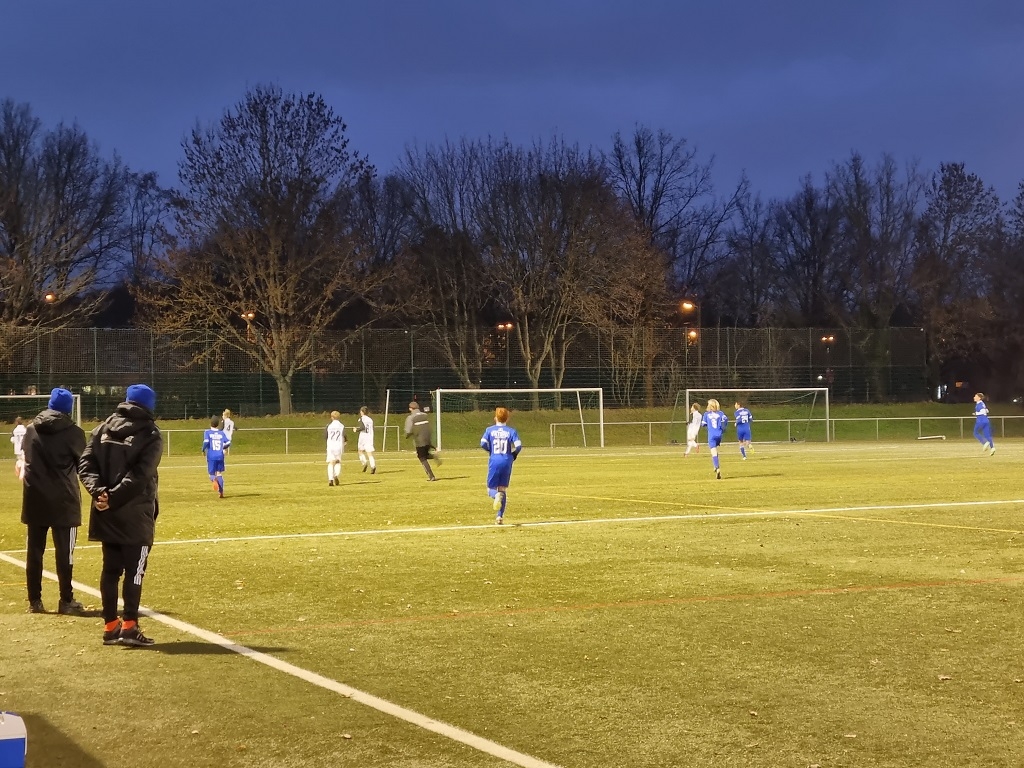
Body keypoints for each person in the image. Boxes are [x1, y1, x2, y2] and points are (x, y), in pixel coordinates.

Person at [78, 384, 162, 647]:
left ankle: (110, 626)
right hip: (135, 515)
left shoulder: (102, 428)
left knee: (110, 570)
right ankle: (129, 626)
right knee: (135, 572)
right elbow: (140, 476)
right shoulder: (150, 434)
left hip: (106, 514)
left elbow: (85, 464)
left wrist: (100, 493)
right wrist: (112, 497)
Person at [21, 388, 87, 615]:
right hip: (64, 500)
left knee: (34, 551)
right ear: (68, 408)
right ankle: (66, 600)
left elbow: (27, 458)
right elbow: (83, 465)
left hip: (35, 497)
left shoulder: (31, 429)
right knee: (64, 553)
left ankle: (35, 601)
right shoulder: (74, 433)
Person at [480, 407, 522, 525]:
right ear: (507, 419)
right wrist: (513, 455)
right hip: (507, 461)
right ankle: (499, 517)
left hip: (495, 460)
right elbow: (518, 446)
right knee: (502, 489)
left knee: (490, 489)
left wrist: (490, 450)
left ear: (495, 418)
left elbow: (482, 443)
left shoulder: (489, 430)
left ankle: (495, 495)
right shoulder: (511, 431)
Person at [404, 401, 441, 481]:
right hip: (428, 438)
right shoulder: (425, 415)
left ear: (410, 409)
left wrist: (406, 436)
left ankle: (431, 476)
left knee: (422, 457)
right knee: (426, 455)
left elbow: (408, 431)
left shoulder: (411, 418)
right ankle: (434, 456)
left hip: (420, 440)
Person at [202, 415, 231, 497]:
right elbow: (228, 443)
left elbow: (206, 442)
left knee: (211, 474)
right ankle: (221, 492)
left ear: (210, 423)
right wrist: (223, 448)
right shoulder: (221, 433)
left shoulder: (207, 432)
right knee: (219, 473)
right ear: (218, 424)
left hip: (211, 456)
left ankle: (214, 480)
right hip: (220, 456)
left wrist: (203, 449)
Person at [701, 398, 728, 480]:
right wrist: (723, 429)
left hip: (711, 435)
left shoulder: (706, 414)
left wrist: (707, 425)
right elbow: (725, 420)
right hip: (719, 435)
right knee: (715, 450)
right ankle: (716, 466)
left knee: (713, 451)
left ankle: (717, 467)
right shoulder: (721, 413)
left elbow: (703, 424)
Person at [325, 411, 347, 486]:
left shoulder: (329, 426)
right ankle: (336, 475)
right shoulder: (341, 426)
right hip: (338, 446)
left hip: (331, 446)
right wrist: (345, 441)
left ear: (332, 417)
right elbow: (344, 435)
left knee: (331, 462)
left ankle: (330, 479)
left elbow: (325, 436)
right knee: (337, 462)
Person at [353, 405, 377, 474]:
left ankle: (364, 463)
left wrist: (356, 430)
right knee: (369, 453)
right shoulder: (370, 420)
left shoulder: (361, 419)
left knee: (360, 451)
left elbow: (362, 427)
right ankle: (373, 466)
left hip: (363, 437)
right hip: (370, 436)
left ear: (362, 412)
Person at [11, 415, 27, 479]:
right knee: (24, 461)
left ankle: (17, 465)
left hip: (17, 448)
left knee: (20, 460)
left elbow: (12, 439)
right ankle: (21, 475)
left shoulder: (15, 430)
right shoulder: (25, 430)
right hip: (23, 447)